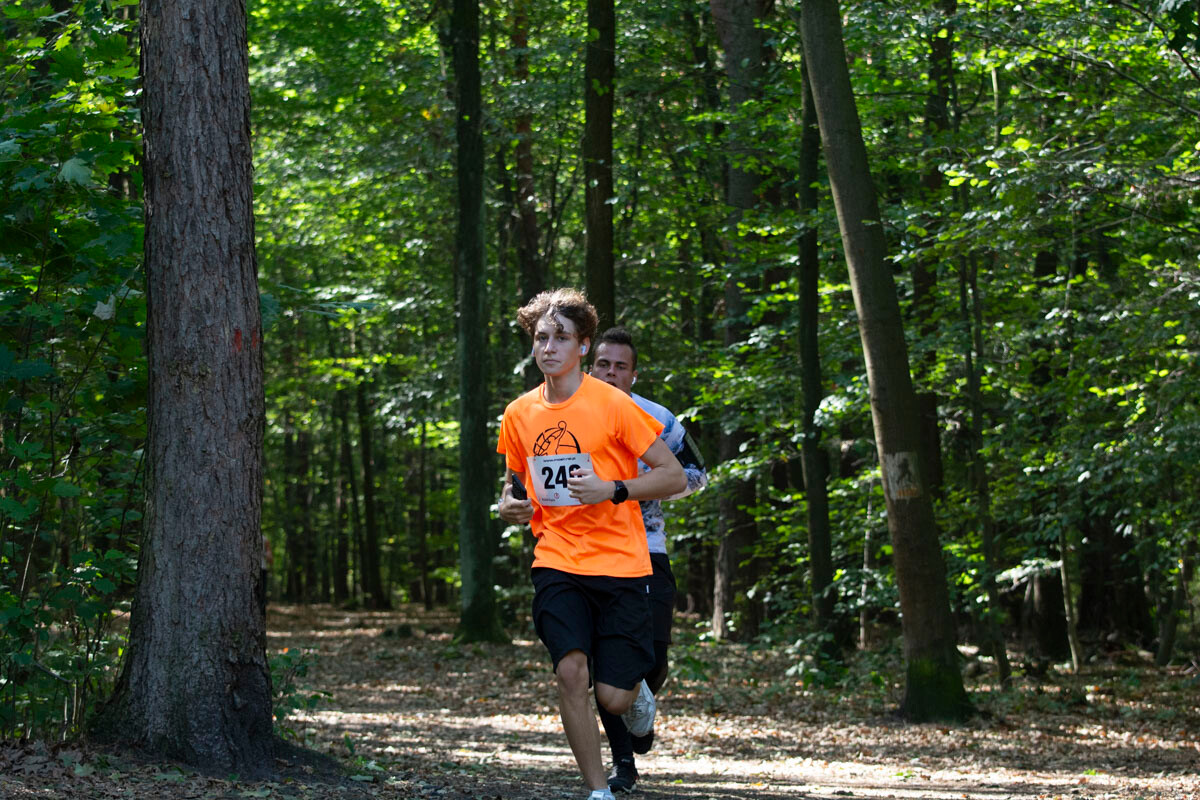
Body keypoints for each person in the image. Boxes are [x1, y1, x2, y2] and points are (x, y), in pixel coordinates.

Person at [500, 326, 708, 795]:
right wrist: (511, 505)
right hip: (565, 555)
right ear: (592, 364)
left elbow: (693, 474)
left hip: (642, 548)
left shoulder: (657, 418)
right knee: (577, 667)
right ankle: (616, 772)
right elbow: (520, 480)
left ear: (634, 374)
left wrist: (627, 486)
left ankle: (636, 700)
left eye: (621, 367)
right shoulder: (537, 411)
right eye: (605, 366)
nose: (611, 373)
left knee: (639, 668)